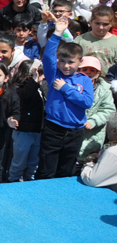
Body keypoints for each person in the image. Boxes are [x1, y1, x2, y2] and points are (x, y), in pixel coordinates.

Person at [37, 16, 94, 179]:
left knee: (66, 171)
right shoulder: (54, 74)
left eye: (70, 62)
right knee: (46, 169)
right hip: (53, 129)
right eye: (62, 61)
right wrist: (58, 32)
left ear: (80, 62)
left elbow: (87, 102)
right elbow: (48, 56)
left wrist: (66, 89)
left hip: (75, 132)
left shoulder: (85, 80)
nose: (66, 65)